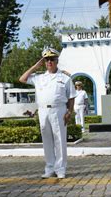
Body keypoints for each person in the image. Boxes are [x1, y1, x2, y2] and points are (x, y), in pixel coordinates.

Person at [19, 48, 76, 179]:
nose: (49, 62)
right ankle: (50, 168)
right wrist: (34, 67)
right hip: (43, 111)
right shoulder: (39, 77)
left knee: (60, 140)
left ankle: (60, 168)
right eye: (46, 60)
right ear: (44, 62)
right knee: (47, 141)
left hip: (59, 110)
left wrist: (69, 112)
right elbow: (22, 79)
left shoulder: (65, 78)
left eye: (52, 59)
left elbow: (71, 97)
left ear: (57, 61)